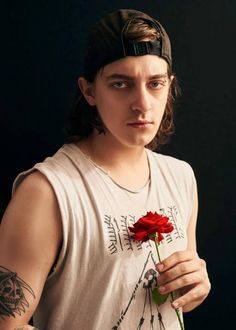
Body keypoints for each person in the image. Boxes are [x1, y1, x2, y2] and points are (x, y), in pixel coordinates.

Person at [0, 8, 211, 330]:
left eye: (155, 84)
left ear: (169, 86)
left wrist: (194, 285)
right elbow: (7, 326)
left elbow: (178, 291)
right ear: (89, 91)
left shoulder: (180, 177)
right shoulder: (48, 191)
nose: (142, 103)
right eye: (121, 84)